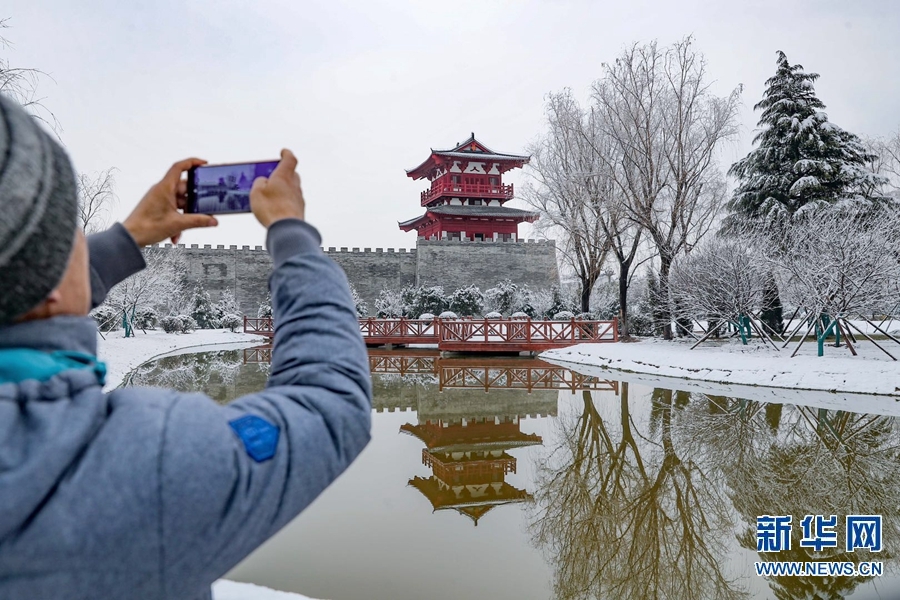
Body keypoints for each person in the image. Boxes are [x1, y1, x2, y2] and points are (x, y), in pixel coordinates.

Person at [0, 95, 372, 599]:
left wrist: (127, 239)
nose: (81, 243)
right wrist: (293, 235)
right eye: (72, 234)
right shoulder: (141, 462)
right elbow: (329, 404)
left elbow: (26, 286)